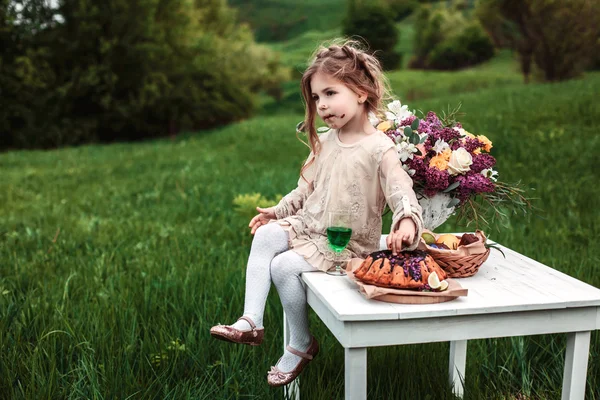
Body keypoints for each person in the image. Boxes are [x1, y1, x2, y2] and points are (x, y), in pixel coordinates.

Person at [210, 38, 424, 387]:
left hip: (345, 242)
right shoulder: (324, 141)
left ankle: (299, 344)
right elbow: (305, 190)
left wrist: (404, 221)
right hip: (310, 225)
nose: (322, 105)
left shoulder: (379, 148)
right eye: (316, 98)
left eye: (330, 93)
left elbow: (401, 190)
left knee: (283, 265)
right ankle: (251, 321)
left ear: (361, 92)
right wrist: (276, 212)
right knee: (266, 235)